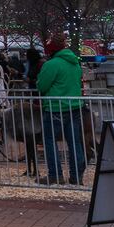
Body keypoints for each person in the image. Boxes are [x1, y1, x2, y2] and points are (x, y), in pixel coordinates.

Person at [35, 34, 85, 185]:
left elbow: (42, 86)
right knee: (74, 142)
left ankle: (55, 174)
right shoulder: (75, 62)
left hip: (55, 107)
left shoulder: (51, 64)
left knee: (50, 141)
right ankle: (76, 176)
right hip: (75, 106)